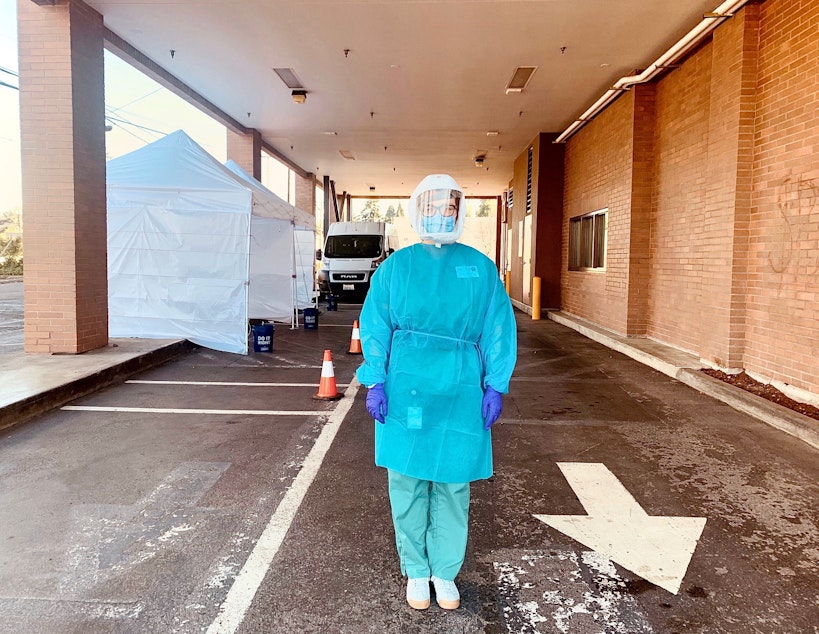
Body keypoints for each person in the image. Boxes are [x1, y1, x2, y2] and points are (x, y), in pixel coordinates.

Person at [356, 174, 517, 610]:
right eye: (433, 206)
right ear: (416, 209)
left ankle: (445, 572)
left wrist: (495, 383)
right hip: (408, 387)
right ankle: (416, 569)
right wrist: (375, 378)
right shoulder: (396, 267)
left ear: (460, 211)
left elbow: (497, 327)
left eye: (449, 207)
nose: (441, 214)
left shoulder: (479, 267)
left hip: (461, 389)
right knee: (406, 481)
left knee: (452, 484)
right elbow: (375, 326)